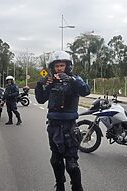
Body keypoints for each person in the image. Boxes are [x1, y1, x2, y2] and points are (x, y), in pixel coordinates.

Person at [35, 51, 90, 191]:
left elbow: (86, 91)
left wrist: (71, 80)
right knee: (56, 160)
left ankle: (77, 187)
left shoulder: (74, 81)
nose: (59, 68)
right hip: (53, 126)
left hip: (69, 127)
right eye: (57, 66)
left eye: (62, 65)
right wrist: (39, 85)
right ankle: (59, 185)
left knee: (71, 164)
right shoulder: (51, 83)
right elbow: (41, 99)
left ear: (68, 66)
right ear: (53, 68)